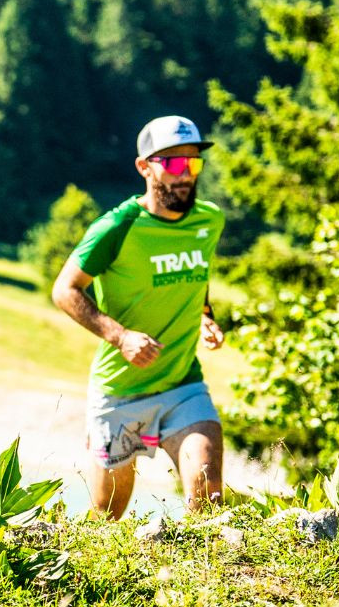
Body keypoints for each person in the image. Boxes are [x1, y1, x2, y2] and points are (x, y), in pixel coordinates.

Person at [51, 116, 225, 519]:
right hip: (119, 394)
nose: (186, 175)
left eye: (194, 164)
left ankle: (201, 576)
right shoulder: (117, 226)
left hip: (183, 386)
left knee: (208, 497)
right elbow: (64, 289)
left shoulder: (209, 220)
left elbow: (196, 273)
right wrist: (121, 336)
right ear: (144, 167)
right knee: (107, 515)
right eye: (175, 165)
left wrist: (205, 316)